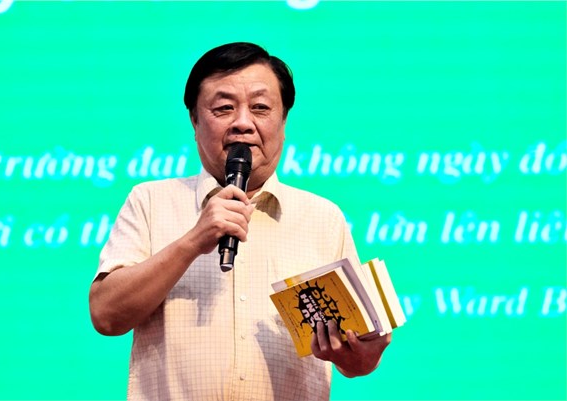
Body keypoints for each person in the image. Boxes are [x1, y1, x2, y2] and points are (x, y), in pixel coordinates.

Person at [89, 42, 391, 401]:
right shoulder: (151, 201)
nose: (243, 123)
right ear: (194, 120)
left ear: (283, 121)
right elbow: (106, 315)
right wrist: (194, 240)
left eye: (260, 108)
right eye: (224, 108)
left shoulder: (323, 218)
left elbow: (359, 361)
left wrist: (360, 354)